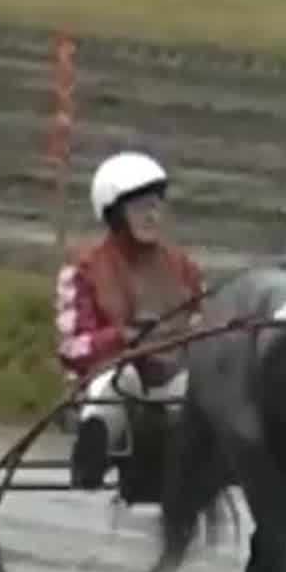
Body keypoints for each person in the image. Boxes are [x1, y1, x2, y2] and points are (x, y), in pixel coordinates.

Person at [55, 149, 207, 496]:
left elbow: (203, 322)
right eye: (140, 208)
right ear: (115, 215)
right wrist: (120, 337)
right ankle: (93, 452)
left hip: (172, 380)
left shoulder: (184, 266)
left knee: (198, 387)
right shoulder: (82, 269)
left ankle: (185, 465)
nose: (152, 215)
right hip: (110, 382)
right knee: (120, 380)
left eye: (156, 206)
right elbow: (70, 347)